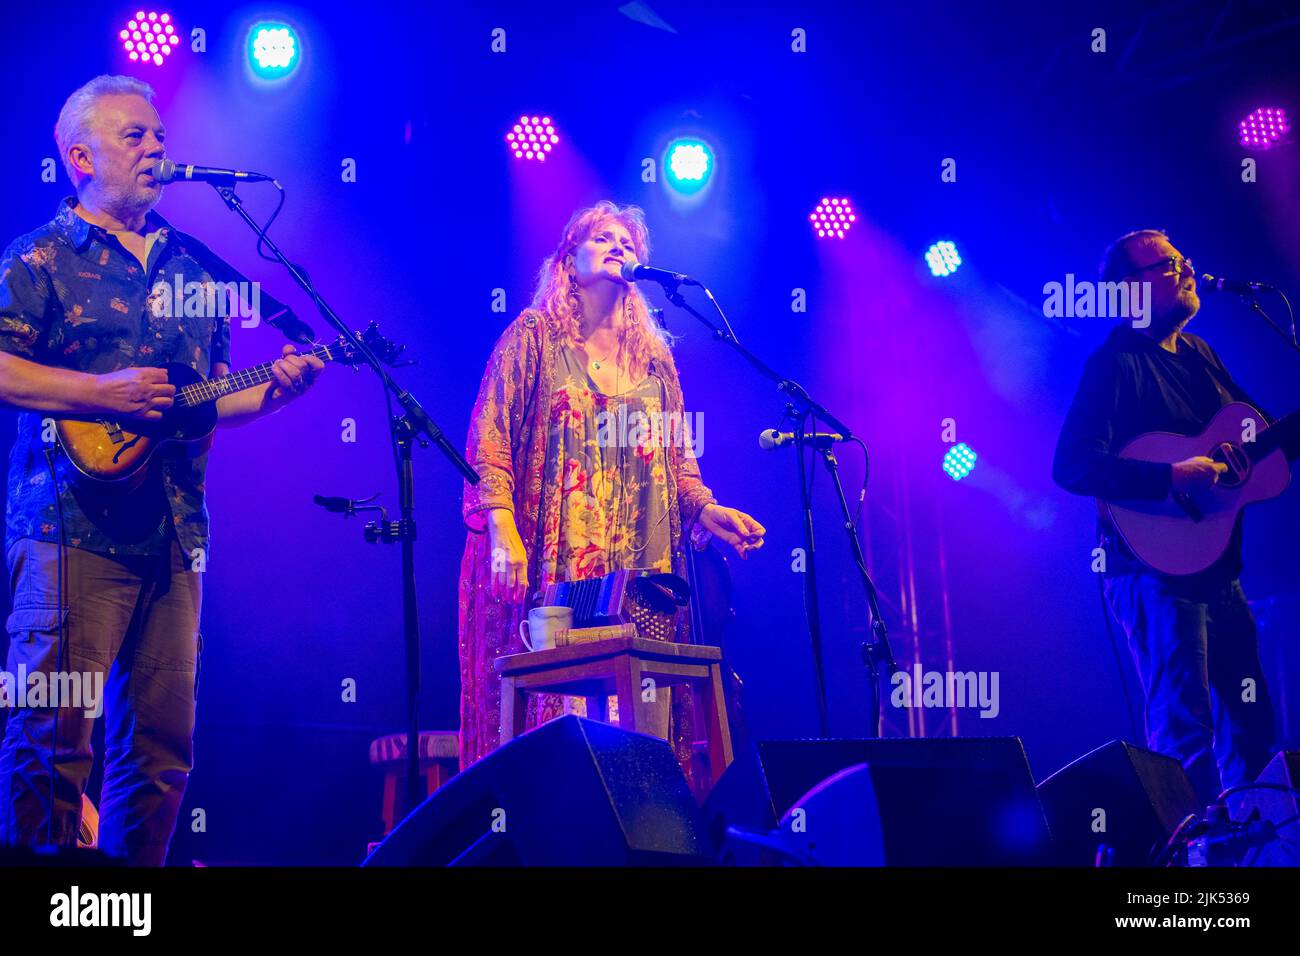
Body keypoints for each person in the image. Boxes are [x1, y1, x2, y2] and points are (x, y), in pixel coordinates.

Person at [0, 75, 324, 864]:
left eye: (159, 135)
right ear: (80, 156)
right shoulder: (41, 257)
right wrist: (98, 392)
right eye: (134, 136)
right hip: (68, 530)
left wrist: (278, 393)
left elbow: (206, 402)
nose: (156, 148)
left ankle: (125, 905)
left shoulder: (196, 267)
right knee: (51, 734)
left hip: (176, 536)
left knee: (160, 746)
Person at [458, 201, 765, 781]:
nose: (618, 246)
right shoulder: (535, 337)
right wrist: (502, 528)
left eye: (628, 241)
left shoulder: (655, 360)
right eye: (601, 237)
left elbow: (677, 462)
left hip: (638, 571)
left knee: (635, 728)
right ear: (568, 261)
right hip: (554, 567)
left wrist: (707, 508)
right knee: (560, 728)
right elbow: (489, 439)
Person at [1053, 228, 1279, 807]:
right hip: (1151, 572)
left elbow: (1258, 441)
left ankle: (1260, 854)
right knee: (1187, 730)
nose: (1186, 268)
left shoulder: (1202, 355)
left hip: (1217, 569)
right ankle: (1191, 880)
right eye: (1168, 263)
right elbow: (1073, 465)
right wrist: (1170, 478)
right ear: (1130, 291)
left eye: (1182, 259)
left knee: (1254, 729)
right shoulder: (1114, 364)